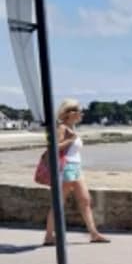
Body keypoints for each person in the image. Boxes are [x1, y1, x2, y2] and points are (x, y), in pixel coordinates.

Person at [43, 99, 110, 245]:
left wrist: (73, 138)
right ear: (69, 113)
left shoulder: (72, 129)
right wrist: (70, 140)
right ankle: (48, 237)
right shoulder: (62, 128)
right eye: (78, 111)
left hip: (76, 167)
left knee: (85, 200)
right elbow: (54, 147)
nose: (81, 113)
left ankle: (94, 234)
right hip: (66, 168)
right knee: (58, 203)